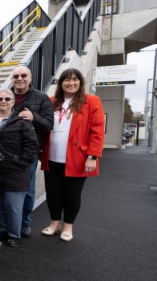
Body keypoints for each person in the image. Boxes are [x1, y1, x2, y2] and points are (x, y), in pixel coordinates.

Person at [40, 68, 104, 242]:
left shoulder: (91, 101)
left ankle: (68, 226)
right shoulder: (51, 102)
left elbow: (97, 131)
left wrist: (93, 156)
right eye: (67, 80)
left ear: (80, 83)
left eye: (75, 79)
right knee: (52, 192)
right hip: (52, 157)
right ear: (61, 83)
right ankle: (54, 223)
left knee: (72, 194)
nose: (71, 83)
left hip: (78, 158)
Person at [0, 89, 38, 247]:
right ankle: (2, 230)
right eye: (0, 98)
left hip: (15, 171)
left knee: (13, 206)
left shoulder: (22, 121)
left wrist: (22, 163)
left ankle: (13, 235)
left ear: (13, 101)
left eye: (7, 99)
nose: (3, 101)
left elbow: (32, 145)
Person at [9, 66, 53, 237]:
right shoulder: (5, 96)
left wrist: (34, 117)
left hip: (29, 152)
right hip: (6, 152)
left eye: (23, 75)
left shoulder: (41, 98)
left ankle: (24, 223)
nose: (19, 78)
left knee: (26, 189)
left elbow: (49, 124)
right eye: (16, 76)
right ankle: (8, 223)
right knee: (5, 189)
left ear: (30, 77)